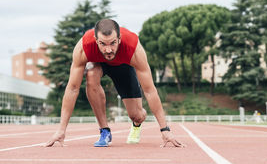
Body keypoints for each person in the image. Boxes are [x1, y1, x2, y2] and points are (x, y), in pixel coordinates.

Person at [45, 19, 184, 148]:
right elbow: (72, 89)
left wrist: (165, 130)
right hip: (99, 64)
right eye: (103, 44)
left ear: (119, 39)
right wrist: (61, 130)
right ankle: (104, 131)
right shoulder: (83, 47)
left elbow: (150, 90)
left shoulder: (133, 48)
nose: (108, 49)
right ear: (96, 40)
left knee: (137, 115)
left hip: (123, 66)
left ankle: (136, 123)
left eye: (112, 43)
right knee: (91, 75)